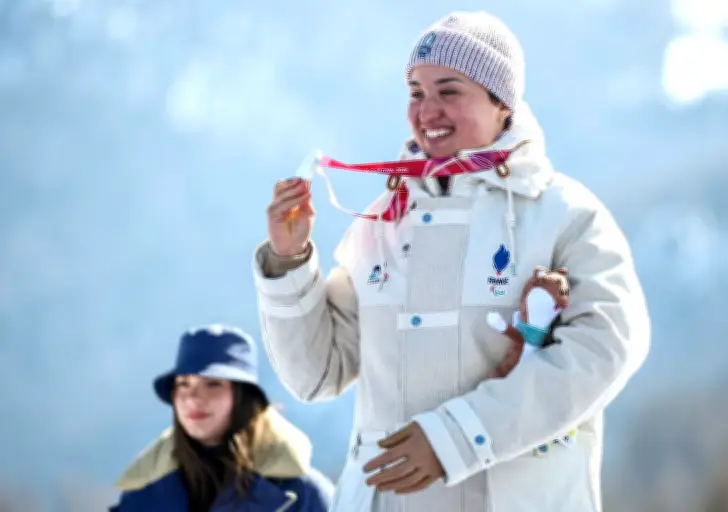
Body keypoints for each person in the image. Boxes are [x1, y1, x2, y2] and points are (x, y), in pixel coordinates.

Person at [254, 10, 650, 512]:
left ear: (502, 104)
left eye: (449, 90)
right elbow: (318, 373)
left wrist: (457, 438)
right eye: (416, 93)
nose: (428, 111)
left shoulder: (564, 214)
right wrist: (289, 260)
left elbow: (605, 348)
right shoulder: (382, 222)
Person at [109, 324, 333, 512]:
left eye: (212, 384)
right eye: (183, 384)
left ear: (243, 397)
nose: (193, 398)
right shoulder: (141, 497)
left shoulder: (303, 495)